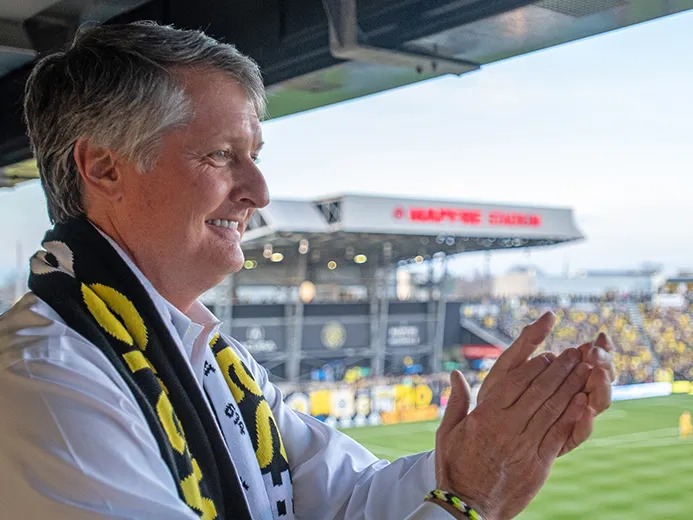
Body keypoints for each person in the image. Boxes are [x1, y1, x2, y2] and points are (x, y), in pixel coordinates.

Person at [0, 21, 616, 520]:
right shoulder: (46, 380)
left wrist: (471, 460)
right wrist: (466, 500)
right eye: (220, 155)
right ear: (105, 169)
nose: (259, 191)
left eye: (255, 157)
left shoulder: (207, 356)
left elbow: (346, 500)